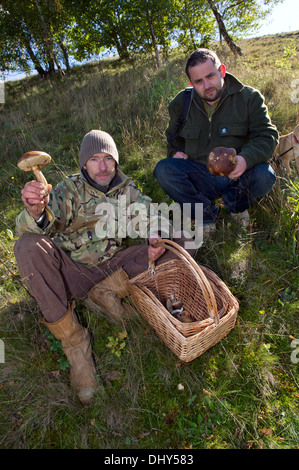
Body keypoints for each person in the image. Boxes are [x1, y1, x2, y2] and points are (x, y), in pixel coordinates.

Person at [14, 130, 193, 405]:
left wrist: (157, 233)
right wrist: (37, 212)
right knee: (27, 246)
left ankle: (105, 294)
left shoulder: (126, 188)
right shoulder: (68, 189)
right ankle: (76, 348)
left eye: (108, 158)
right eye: (94, 159)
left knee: (181, 239)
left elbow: (150, 214)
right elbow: (46, 220)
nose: (102, 166)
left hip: (113, 268)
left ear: (116, 161)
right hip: (72, 274)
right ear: (83, 164)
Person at [154, 48, 279, 237]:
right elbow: (173, 138)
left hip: (237, 174)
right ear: (192, 83)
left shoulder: (249, 98)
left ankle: (236, 205)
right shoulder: (182, 103)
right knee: (163, 169)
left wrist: (245, 159)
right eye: (199, 81)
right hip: (200, 174)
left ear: (222, 70)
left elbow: (267, 136)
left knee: (265, 174)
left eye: (210, 76)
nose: (207, 85)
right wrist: (175, 152)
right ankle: (206, 215)